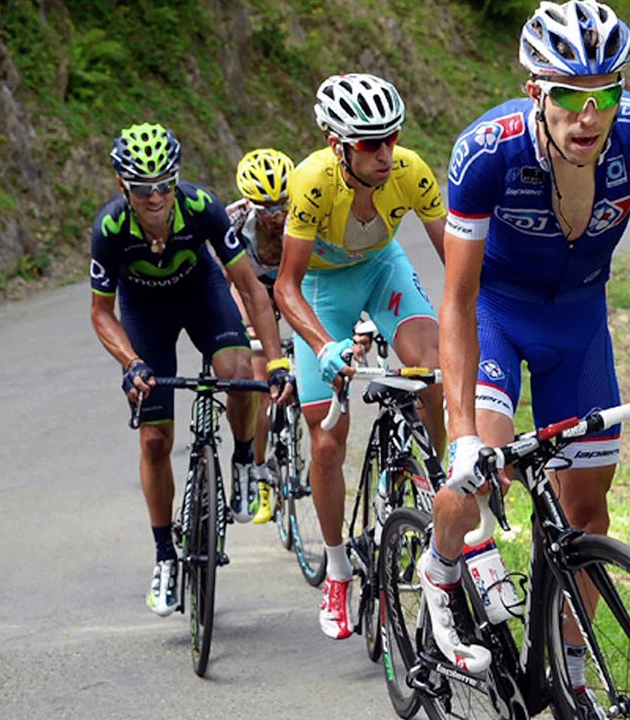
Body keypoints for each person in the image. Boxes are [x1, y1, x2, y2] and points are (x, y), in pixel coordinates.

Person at [429, 0, 630, 713]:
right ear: (535, 94)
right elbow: (455, 300)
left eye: (604, 94)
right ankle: (441, 572)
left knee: (588, 517)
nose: (589, 116)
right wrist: (457, 435)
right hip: (497, 317)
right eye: (570, 97)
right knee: (476, 478)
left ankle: (572, 668)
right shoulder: (487, 152)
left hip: (579, 322)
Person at [89, 123, 294, 617]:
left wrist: (280, 362)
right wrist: (131, 362)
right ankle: (165, 557)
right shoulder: (111, 229)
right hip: (146, 314)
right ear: (124, 186)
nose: (156, 196)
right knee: (155, 441)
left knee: (237, 367)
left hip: (202, 295)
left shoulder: (201, 207)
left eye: (164, 183)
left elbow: (250, 290)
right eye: (143, 187)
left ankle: (244, 458)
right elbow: (101, 312)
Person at [273, 73, 447, 640]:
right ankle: (339, 567)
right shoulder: (311, 182)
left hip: (382, 270)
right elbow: (286, 286)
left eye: (391, 138)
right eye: (370, 144)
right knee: (327, 438)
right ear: (337, 145)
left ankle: (434, 491)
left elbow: (460, 263)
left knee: (433, 373)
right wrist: (323, 346)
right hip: (323, 289)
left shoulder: (410, 170)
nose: (385, 152)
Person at [223, 147, 295, 525]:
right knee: (260, 380)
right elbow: (226, 282)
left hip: (291, 285)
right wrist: (242, 330)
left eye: (282, 204)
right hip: (249, 289)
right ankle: (260, 470)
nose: (277, 216)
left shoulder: (303, 210)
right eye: (266, 209)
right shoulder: (232, 221)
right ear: (250, 204)